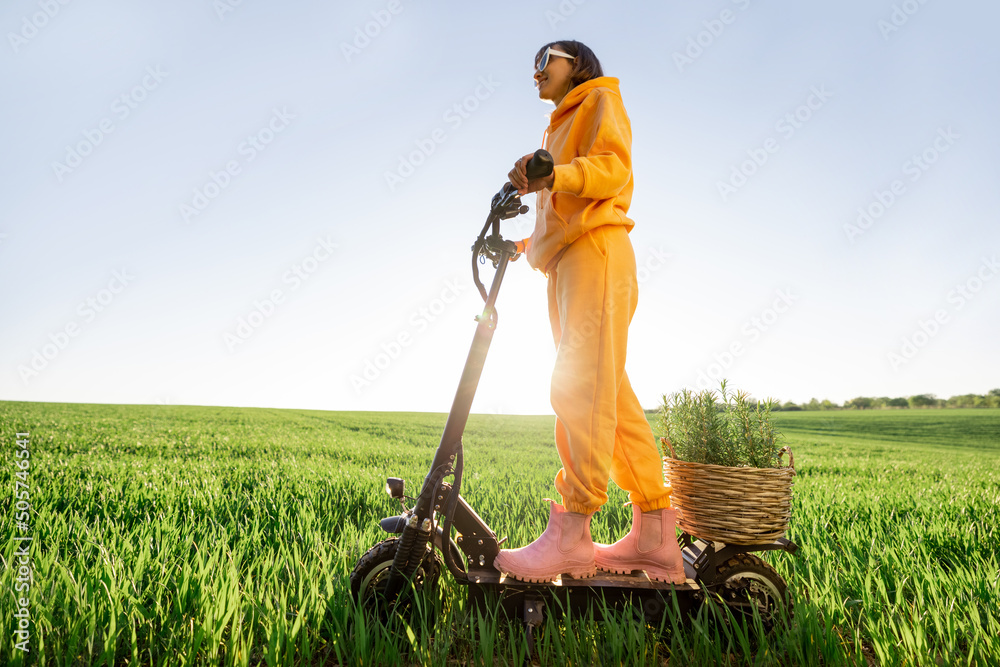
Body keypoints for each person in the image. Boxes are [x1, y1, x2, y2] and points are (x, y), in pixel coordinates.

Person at [492, 40, 685, 584]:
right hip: (569, 261)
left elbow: (610, 174)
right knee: (610, 395)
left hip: (596, 253)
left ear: (574, 62)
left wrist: (555, 173)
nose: (534, 73)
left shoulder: (599, 99)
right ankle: (656, 538)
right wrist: (525, 244)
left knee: (579, 386)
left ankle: (572, 535)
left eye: (543, 60)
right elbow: (563, 210)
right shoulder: (559, 125)